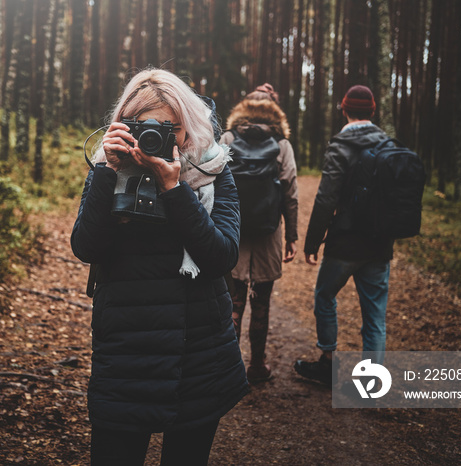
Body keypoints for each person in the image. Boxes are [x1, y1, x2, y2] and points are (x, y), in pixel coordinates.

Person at [71, 68, 249, 466]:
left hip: (199, 355)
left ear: (189, 128)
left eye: (171, 127)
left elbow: (222, 257)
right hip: (126, 356)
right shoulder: (106, 169)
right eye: (144, 126)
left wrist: (174, 189)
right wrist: (107, 173)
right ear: (122, 125)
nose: (157, 137)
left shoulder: (212, 172)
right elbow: (86, 247)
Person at [294, 84, 392, 385]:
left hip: (345, 243)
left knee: (324, 296)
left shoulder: (340, 146)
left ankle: (328, 363)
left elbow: (326, 198)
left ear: (344, 109)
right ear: (373, 111)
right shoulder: (388, 145)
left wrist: (312, 242)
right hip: (379, 244)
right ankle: (373, 384)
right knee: (374, 316)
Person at [219, 84, 298, 383]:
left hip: (233, 231)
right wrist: (291, 236)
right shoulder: (282, 145)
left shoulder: (227, 138)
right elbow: (290, 193)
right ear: (275, 112)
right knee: (261, 301)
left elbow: (212, 182)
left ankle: (229, 367)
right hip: (268, 235)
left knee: (233, 302)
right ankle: (257, 366)